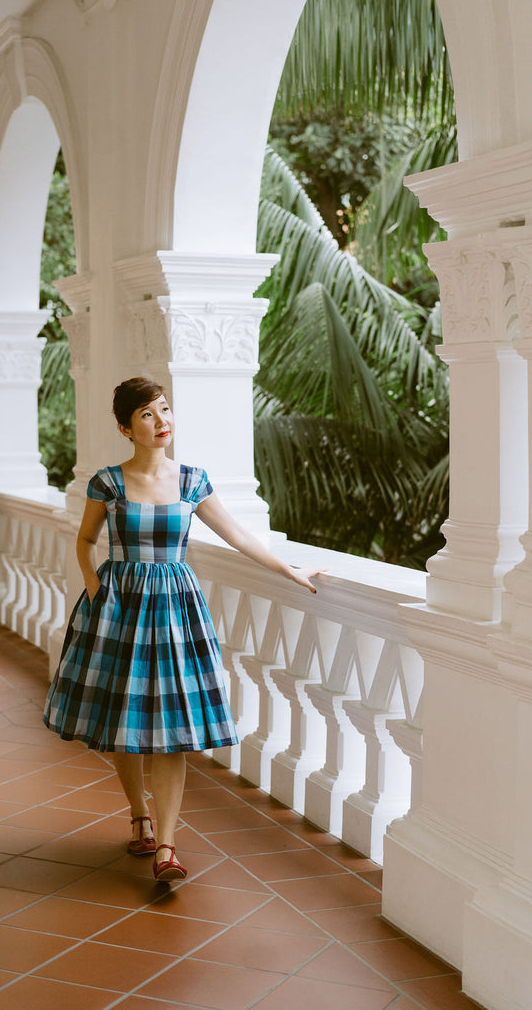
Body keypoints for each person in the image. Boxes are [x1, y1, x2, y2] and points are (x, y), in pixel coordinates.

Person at [44, 377, 323, 881]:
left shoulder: (193, 480)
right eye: (147, 415)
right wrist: (92, 585)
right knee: (124, 722)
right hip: (118, 606)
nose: (161, 422)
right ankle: (139, 816)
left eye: (165, 410)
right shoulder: (108, 482)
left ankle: (167, 846)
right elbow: (85, 540)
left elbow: (238, 534)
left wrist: (290, 571)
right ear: (126, 428)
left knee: (171, 729)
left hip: (176, 610)